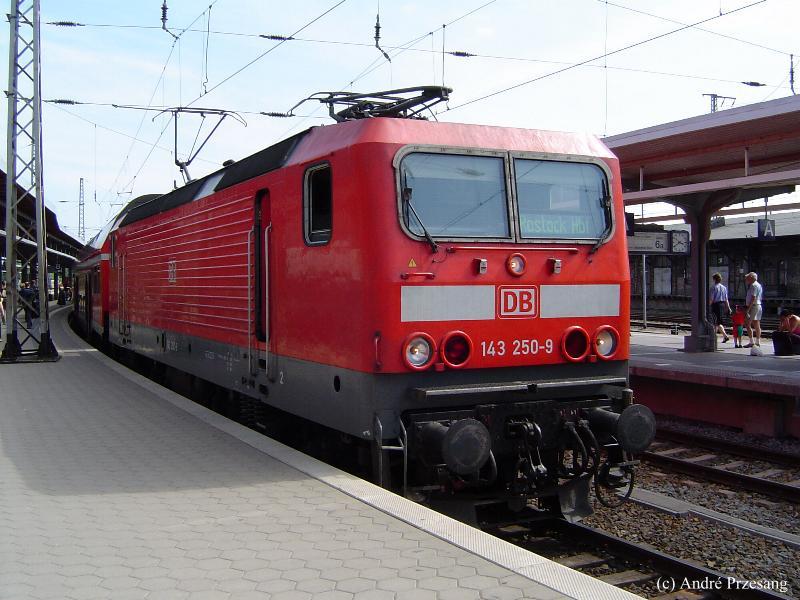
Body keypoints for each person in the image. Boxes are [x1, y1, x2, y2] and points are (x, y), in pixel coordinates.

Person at [708, 272, 731, 344]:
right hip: (722, 305)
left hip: (715, 305)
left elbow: (711, 299)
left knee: (715, 321)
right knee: (718, 321)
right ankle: (724, 336)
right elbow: (726, 299)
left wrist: (708, 306)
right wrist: (728, 308)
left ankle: (714, 338)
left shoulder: (713, 287)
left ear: (714, 279)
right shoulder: (724, 288)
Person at [743, 272, 763, 348]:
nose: (746, 279)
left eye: (747, 278)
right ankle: (757, 342)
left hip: (753, 306)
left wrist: (748, 309)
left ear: (751, 277)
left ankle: (751, 342)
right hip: (758, 305)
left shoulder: (753, 285)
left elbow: (753, 298)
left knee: (747, 324)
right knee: (757, 324)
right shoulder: (759, 285)